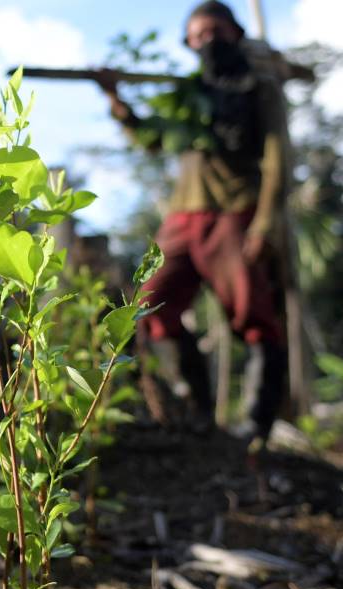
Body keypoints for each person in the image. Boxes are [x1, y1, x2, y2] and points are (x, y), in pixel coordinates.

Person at [96, 1, 289, 445]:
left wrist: (263, 226)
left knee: (253, 313)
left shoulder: (258, 89)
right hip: (183, 218)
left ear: (236, 34)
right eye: (198, 35)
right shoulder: (186, 95)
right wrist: (114, 98)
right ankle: (199, 414)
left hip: (235, 212)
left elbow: (277, 162)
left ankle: (257, 424)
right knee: (149, 309)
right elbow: (151, 137)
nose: (208, 40)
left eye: (216, 31)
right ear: (188, 44)